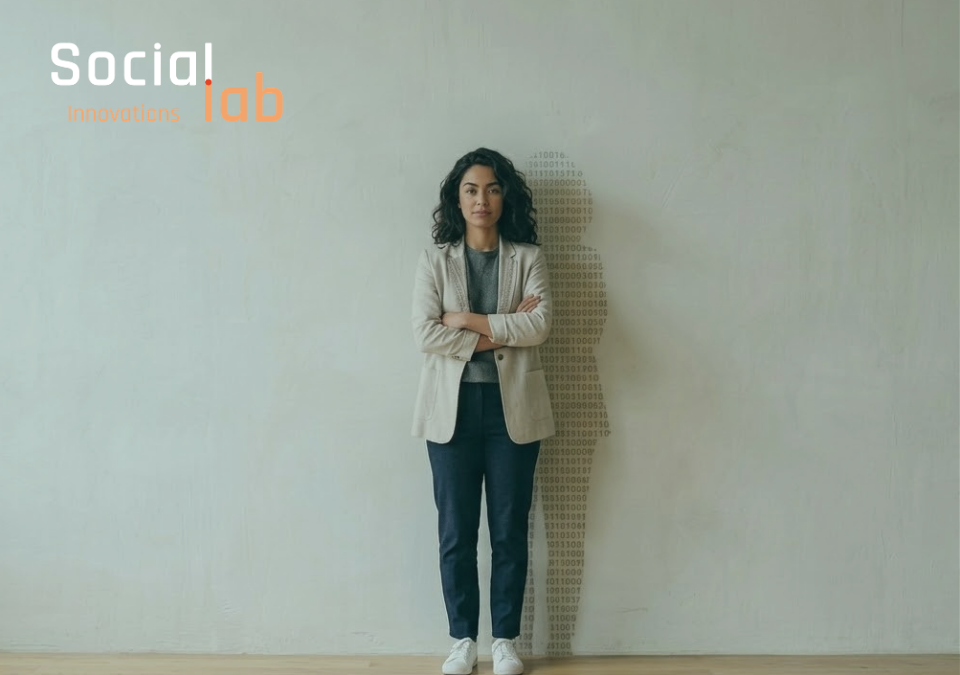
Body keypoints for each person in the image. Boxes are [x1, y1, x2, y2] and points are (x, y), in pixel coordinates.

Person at [411, 148, 556, 675]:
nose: (482, 199)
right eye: (471, 189)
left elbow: (539, 326)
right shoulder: (435, 259)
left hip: (510, 408)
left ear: (504, 196)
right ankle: (462, 639)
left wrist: (466, 318)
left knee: (509, 528)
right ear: (458, 197)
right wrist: (500, 329)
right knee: (455, 530)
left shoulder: (528, 257)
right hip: (450, 411)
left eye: (492, 189)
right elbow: (425, 332)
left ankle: (506, 641)